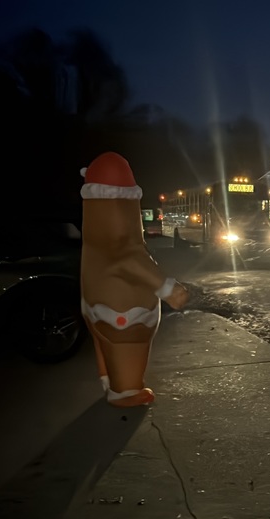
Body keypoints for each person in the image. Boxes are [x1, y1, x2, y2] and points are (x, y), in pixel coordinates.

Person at [79, 152, 189, 407]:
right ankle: (125, 391)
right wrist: (167, 288)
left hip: (94, 299)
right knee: (124, 351)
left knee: (103, 341)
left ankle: (108, 380)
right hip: (127, 312)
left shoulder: (92, 228)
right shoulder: (121, 224)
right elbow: (127, 255)